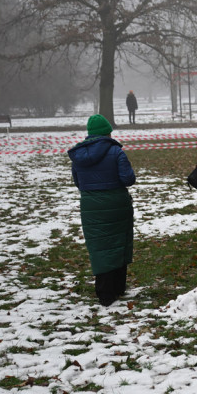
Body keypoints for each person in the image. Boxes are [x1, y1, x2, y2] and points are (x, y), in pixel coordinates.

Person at [68, 114, 136, 306]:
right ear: (107, 132)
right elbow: (128, 179)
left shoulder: (78, 155)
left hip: (90, 204)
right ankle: (118, 287)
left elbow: (78, 182)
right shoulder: (116, 151)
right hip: (116, 202)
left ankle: (104, 292)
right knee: (118, 242)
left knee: (99, 247)